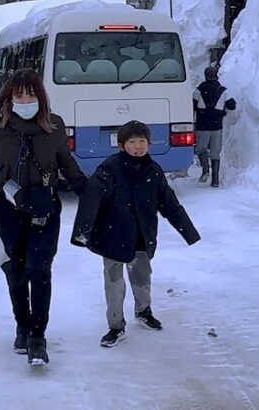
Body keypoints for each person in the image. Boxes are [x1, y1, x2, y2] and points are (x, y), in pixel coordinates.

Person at [0, 69, 86, 366]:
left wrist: (92, 195)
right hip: (10, 211)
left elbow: (68, 166)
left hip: (45, 208)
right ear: (9, 97)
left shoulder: (54, 126)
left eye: (30, 94)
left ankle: (37, 336)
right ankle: (22, 324)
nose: (25, 99)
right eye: (19, 94)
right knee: (16, 272)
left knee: (40, 269)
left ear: (40, 96)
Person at [71, 120, 201, 348]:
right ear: (121, 145)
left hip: (142, 233)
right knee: (114, 282)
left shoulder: (154, 171)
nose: (138, 146)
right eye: (132, 142)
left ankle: (143, 311)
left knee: (142, 277)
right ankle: (115, 326)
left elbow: (170, 204)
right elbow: (91, 197)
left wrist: (188, 232)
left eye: (142, 141)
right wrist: (82, 231)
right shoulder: (109, 169)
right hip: (112, 235)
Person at [193, 66, 237, 187]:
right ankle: (215, 181)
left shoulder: (198, 90)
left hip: (202, 126)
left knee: (200, 149)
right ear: (216, 76)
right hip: (217, 126)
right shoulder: (223, 91)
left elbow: (192, 105)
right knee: (215, 153)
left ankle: (206, 169)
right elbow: (232, 105)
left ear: (205, 76)